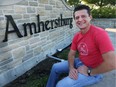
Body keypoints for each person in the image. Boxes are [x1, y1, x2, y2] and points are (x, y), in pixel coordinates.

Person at [46, 5, 116, 87]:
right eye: (77, 17)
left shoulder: (99, 34)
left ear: (90, 17)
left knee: (61, 85)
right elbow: (71, 54)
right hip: (79, 62)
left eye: (83, 16)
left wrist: (89, 72)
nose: (80, 20)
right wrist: (71, 68)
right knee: (55, 67)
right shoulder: (77, 35)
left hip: (94, 70)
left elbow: (112, 63)